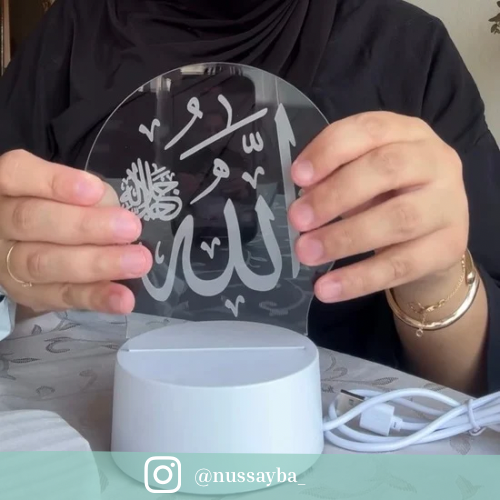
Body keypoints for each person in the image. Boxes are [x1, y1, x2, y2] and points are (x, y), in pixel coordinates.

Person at [0, 0, 499, 397]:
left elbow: (476, 391)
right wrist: (14, 273)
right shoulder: (68, 36)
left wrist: (437, 279)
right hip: (94, 440)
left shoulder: (408, 51)